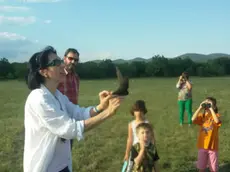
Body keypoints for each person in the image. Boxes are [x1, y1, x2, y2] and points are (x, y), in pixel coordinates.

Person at [23, 46, 124, 172]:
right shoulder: (39, 98)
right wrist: (107, 113)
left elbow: (77, 113)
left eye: (59, 61)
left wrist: (101, 107)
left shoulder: (58, 96)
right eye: (55, 63)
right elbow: (69, 129)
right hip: (46, 167)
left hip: (63, 166)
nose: (61, 65)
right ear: (44, 72)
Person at [57, 48, 80, 149]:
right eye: (70, 58)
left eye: (76, 60)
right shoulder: (56, 74)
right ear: (64, 58)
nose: (73, 62)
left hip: (71, 117)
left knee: (67, 149)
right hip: (59, 117)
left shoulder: (76, 76)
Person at [192, 97, 221, 172]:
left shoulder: (216, 116)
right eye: (206, 103)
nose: (207, 105)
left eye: (209, 104)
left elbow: (217, 121)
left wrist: (211, 109)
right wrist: (200, 107)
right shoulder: (202, 116)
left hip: (213, 147)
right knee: (201, 168)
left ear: (214, 106)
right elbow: (193, 119)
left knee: (214, 169)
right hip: (202, 145)